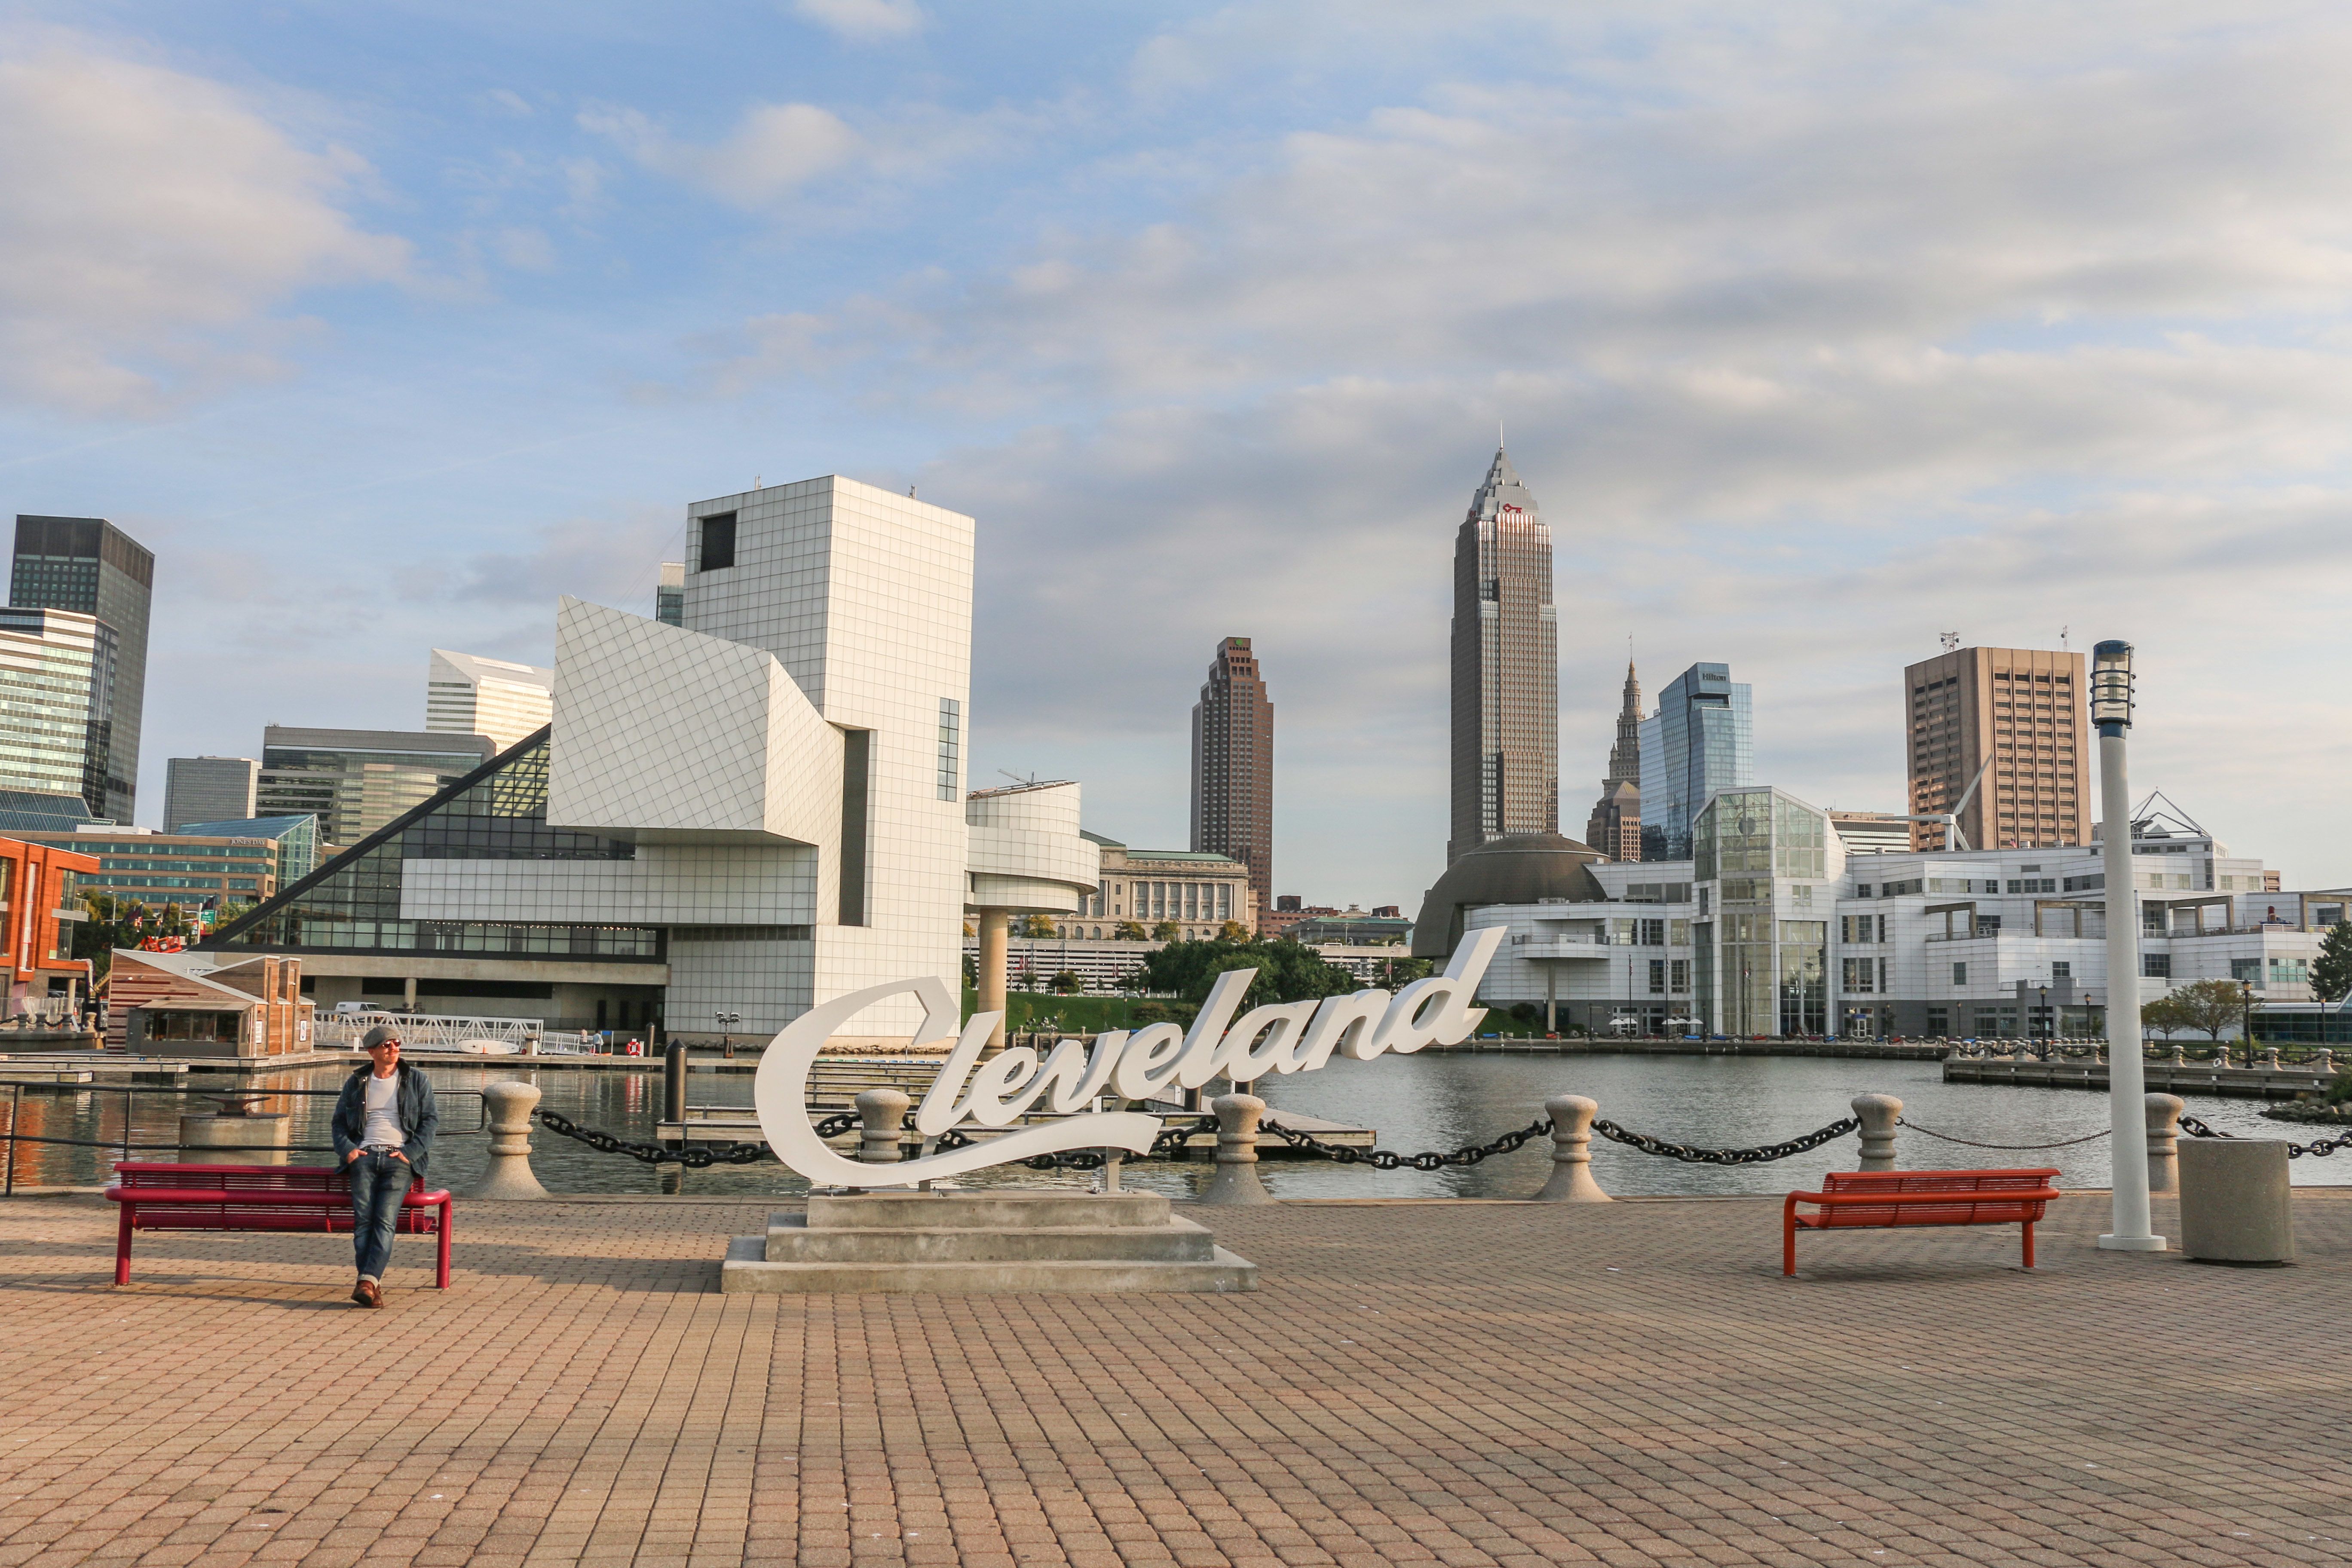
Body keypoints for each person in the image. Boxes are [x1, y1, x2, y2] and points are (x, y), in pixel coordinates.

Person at [331, 1025, 438, 1307]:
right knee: (364, 1221)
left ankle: (367, 1282)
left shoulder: (415, 1080)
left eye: (396, 1043)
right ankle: (370, 1284)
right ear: (372, 1051)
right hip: (364, 1158)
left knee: (385, 1221)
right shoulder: (357, 1082)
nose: (393, 1048)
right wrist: (349, 1151)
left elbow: (430, 1121)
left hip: (398, 1158)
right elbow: (339, 1122)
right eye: (386, 1045)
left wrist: (410, 1153)